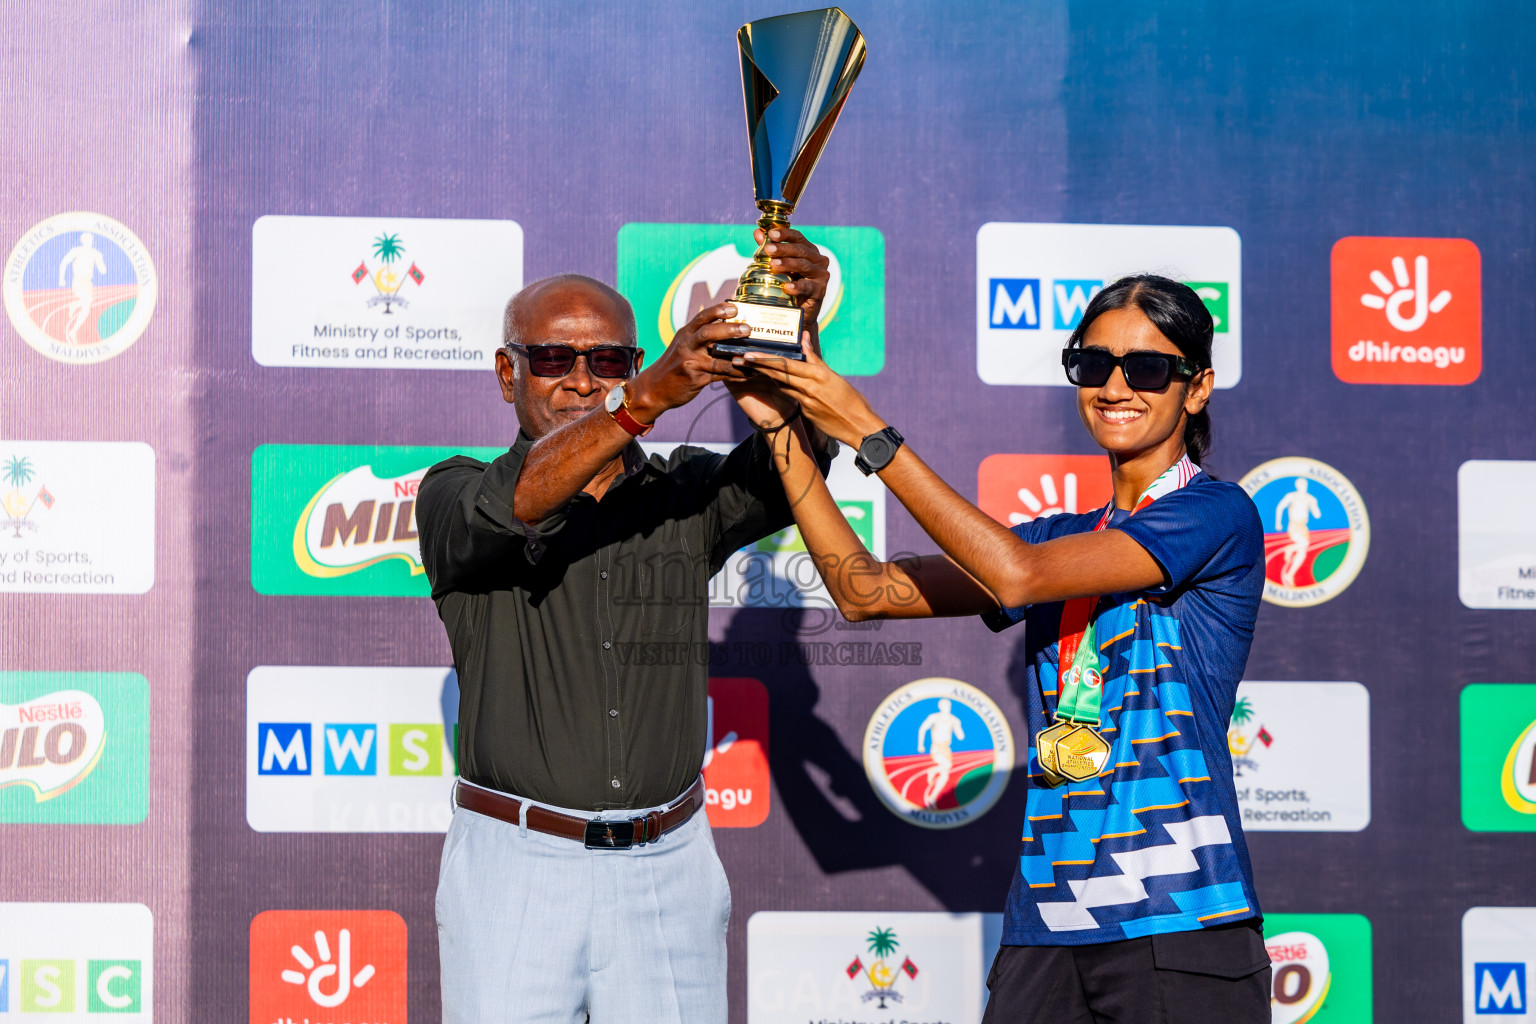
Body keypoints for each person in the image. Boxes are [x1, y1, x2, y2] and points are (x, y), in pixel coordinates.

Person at [739, 275, 1271, 1022]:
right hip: (1045, 927)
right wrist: (784, 433)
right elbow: (864, 592)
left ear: (1197, 386)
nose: (1116, 386)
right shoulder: (1056, 536)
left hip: (1181, 922)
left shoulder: (1217, 512)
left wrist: (867, 429)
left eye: (1147, 367)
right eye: (1093, 364)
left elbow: (1019, 579)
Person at [416, 234, 833, 1023]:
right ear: (508, 372)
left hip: (668, 866)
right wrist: (640, 397)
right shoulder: (453, 491)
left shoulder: (686, 492)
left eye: (609, 362)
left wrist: (800, 337)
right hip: (515, 868)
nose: (583, 381)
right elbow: (524, 502)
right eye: (553, 359)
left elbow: (797, 469)